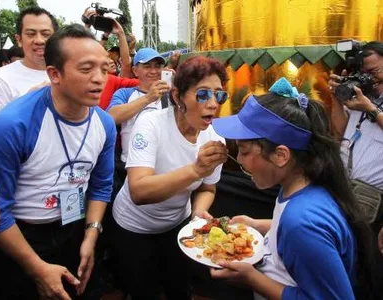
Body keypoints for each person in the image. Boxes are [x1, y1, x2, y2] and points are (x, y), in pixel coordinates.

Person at [210, 78, 378, 299]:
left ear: (281, 155)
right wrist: (256, 225)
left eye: (244, 150)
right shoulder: (299, 186)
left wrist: (252, 278)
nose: (238, 159)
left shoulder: (301, 222)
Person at [0, 24, 115, 300]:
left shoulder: (105, 124)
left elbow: (101, 186)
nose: (99, 79)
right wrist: (36, 268)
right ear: (54, 74)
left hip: (74, 227)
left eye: (104, 68)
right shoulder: (11, 125)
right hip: (19, 237)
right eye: (86, 68)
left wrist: (91, 236)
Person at [110, 56, 229, 299]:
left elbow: (208, 188)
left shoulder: (215, 139)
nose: (213, 104)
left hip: (177, 226)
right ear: (177, 97)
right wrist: (195, 170)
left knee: (180, 288)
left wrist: (197, 212)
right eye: (203, 94)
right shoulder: (150, 124)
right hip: (134, 228)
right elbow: (139, 191)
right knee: (143, 291)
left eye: (220, 95)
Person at [328, 41, 383, 225]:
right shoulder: (362, 95)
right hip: (343, 187)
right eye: (364, 73)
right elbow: (339, 131)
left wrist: (371, 109)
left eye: (375, 72)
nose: (370, 79)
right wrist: (336, 99)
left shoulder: (366, 102)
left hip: (371, 199)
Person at [0, 7, 59, 126]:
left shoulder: (68, 74)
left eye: (45, 34)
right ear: (19, 39)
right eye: (31, 34)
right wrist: (28, 101)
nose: (39, 40)